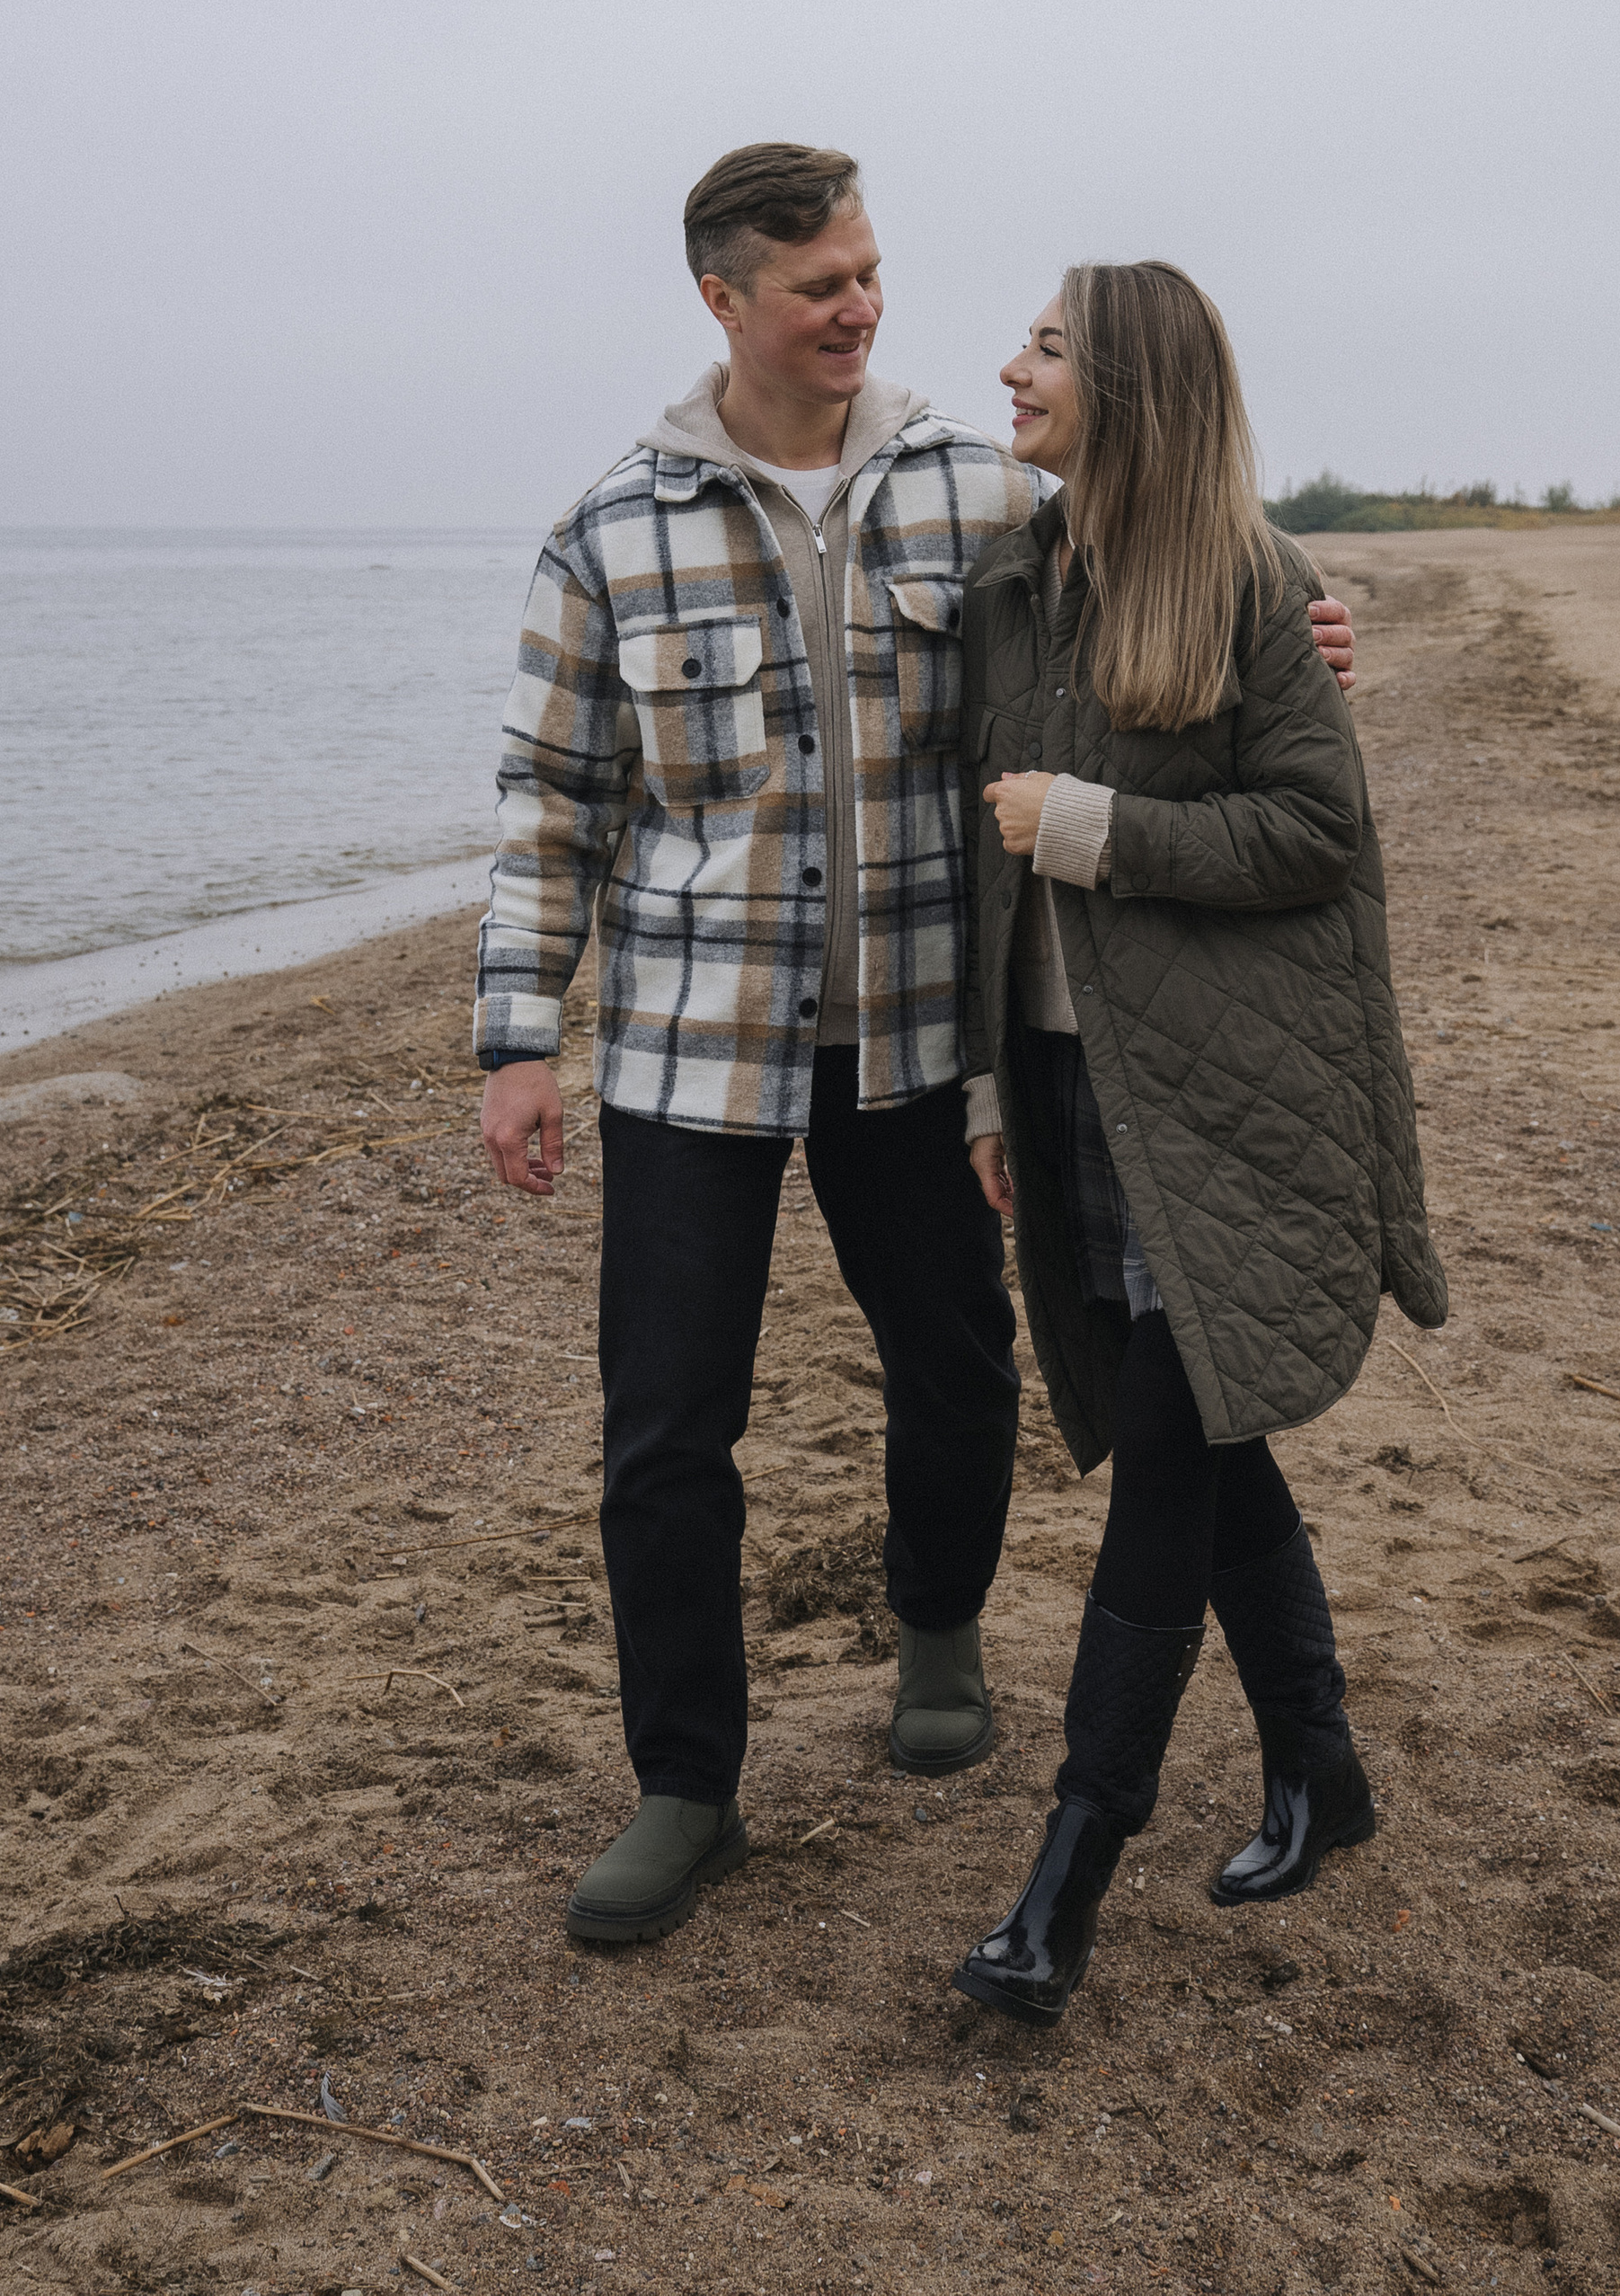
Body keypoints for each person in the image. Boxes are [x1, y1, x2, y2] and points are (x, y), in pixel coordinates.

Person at [474, 148, 1359, 1949]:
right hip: (683, 1050)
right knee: (664, 1432)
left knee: (957, 1373)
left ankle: (936, 1637)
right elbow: (551, 799)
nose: (858, 305)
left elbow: (1165, 572)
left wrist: (1318, 616)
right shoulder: (609, 529)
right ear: (723, 299)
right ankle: (684, 1787)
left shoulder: (973, 495)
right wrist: (515, 1039)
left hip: (911, 1042)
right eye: (816, 284)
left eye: (867, 270)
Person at [952, 259, 1445, 2028]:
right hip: (1076, 1097)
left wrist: (1090, 826)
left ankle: (1068, 1872)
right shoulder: (1007, 586)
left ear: (1134, 391)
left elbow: (1315, 828)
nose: (1007, 368)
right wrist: (994, 1090)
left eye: (1048, 348)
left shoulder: (1252, 582)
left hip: (1226, 1103)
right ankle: (1323, 1771)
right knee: (1210, 1423)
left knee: (1167, 1448)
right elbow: (977, 882)